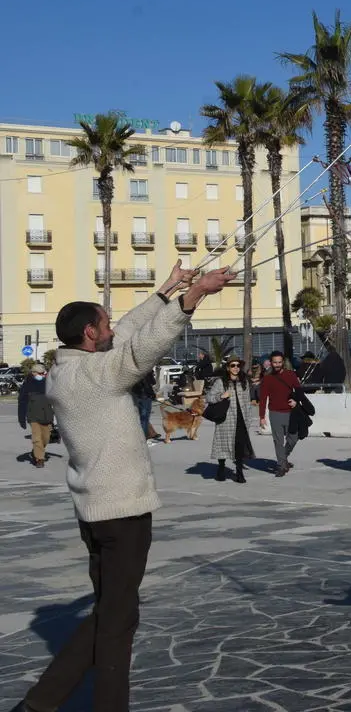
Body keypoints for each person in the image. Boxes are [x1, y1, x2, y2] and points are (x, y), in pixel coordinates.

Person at [15, 261, 230, 712]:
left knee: (112, 613)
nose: (111, 326)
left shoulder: (65, 369)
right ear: (90, 335)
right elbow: (140, 349)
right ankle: (56, 703)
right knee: (116, 622)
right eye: (104, 322)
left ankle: (41, 702)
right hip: (121, 513)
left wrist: (168, 287)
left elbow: (125, 334)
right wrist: (193, 298)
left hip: (95, 512)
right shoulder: (97, 376)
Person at [206, 356, 258, 484]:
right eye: (233, 365)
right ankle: (221, 469)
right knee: (223, 445)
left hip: (241, 419)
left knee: (239, 447)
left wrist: (248, 418)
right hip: (226, 419)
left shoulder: (244, 381)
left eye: (237, 365)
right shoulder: (220, 382)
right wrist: (221, 396)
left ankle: (239, 472)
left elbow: (247, 401)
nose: (235, 368)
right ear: (228, 367)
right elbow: (209, 397)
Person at [256, 350, 301, 475]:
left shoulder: (290, 375)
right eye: (275, 362)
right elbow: (263, 398)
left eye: (279, 362)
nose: (277, 365)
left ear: (283, 362)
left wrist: (296, 401)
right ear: (271, 363)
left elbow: (298, 391)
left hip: (290, 412)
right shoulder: (267, 378)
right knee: (278, 441)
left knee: (294, 437)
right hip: (275, 413)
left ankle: (283, 457)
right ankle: (281, 465)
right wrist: (261, 417)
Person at [18, 364, 53, 468]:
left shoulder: (49, 383)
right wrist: (21, 419)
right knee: (37, 438)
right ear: (33, 373)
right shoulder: (27, 384)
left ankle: (36, 451)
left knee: (46, 438)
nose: (42, 375)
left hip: (47, 415)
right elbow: (22, 402)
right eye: (40, 373)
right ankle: (39, 459)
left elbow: (57, 400)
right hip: (33, 416)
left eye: (43, 373)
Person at [131, 371, 158, 443]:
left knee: (141, 418)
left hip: (137, 395)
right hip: (146, 396)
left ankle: (144, 436)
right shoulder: (147, 372)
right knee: (145, 418)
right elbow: (152, 382)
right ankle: (144, 438)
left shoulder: (135, 373)